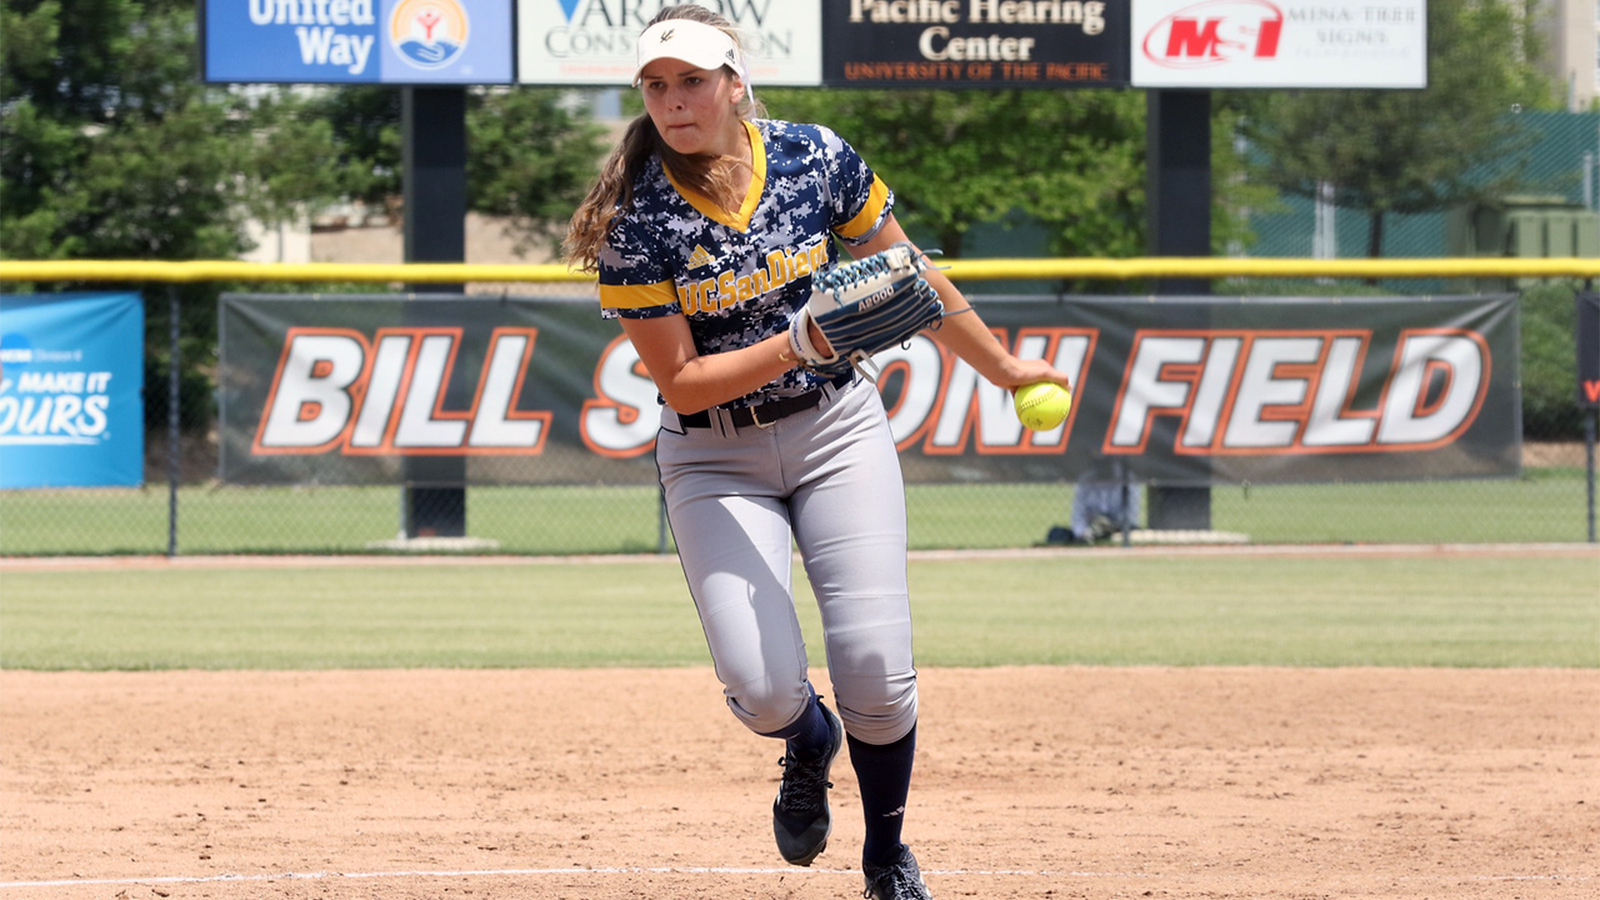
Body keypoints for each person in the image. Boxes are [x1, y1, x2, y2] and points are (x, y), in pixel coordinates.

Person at [564, 7, 1073, 898]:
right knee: (762, 690)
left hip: (836, 429)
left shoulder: (813, 157)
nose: (674, 102)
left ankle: (885, 856)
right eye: (656, 86)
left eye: (691, 81)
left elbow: (907, 272)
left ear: (734, 83)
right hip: (713, 457)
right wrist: (800, 340)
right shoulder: (636, 220)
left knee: (875, 667)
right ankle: (807, 738)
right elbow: (682, 384)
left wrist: (1001, 367)